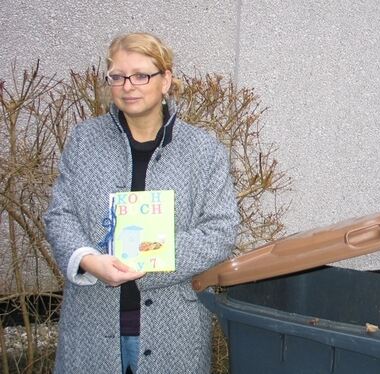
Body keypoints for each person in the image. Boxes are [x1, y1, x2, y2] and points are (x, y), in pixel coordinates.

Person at [44, 32, 239, 373]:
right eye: (117, 77)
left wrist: (152, 257)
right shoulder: (84, 140)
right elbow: (61, 214)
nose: (128, 86)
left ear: (166, 80)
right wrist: (88, 260)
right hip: (92, 321)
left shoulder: (203, 151)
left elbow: (221, 230)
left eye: (141, 75)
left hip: (174, 326)